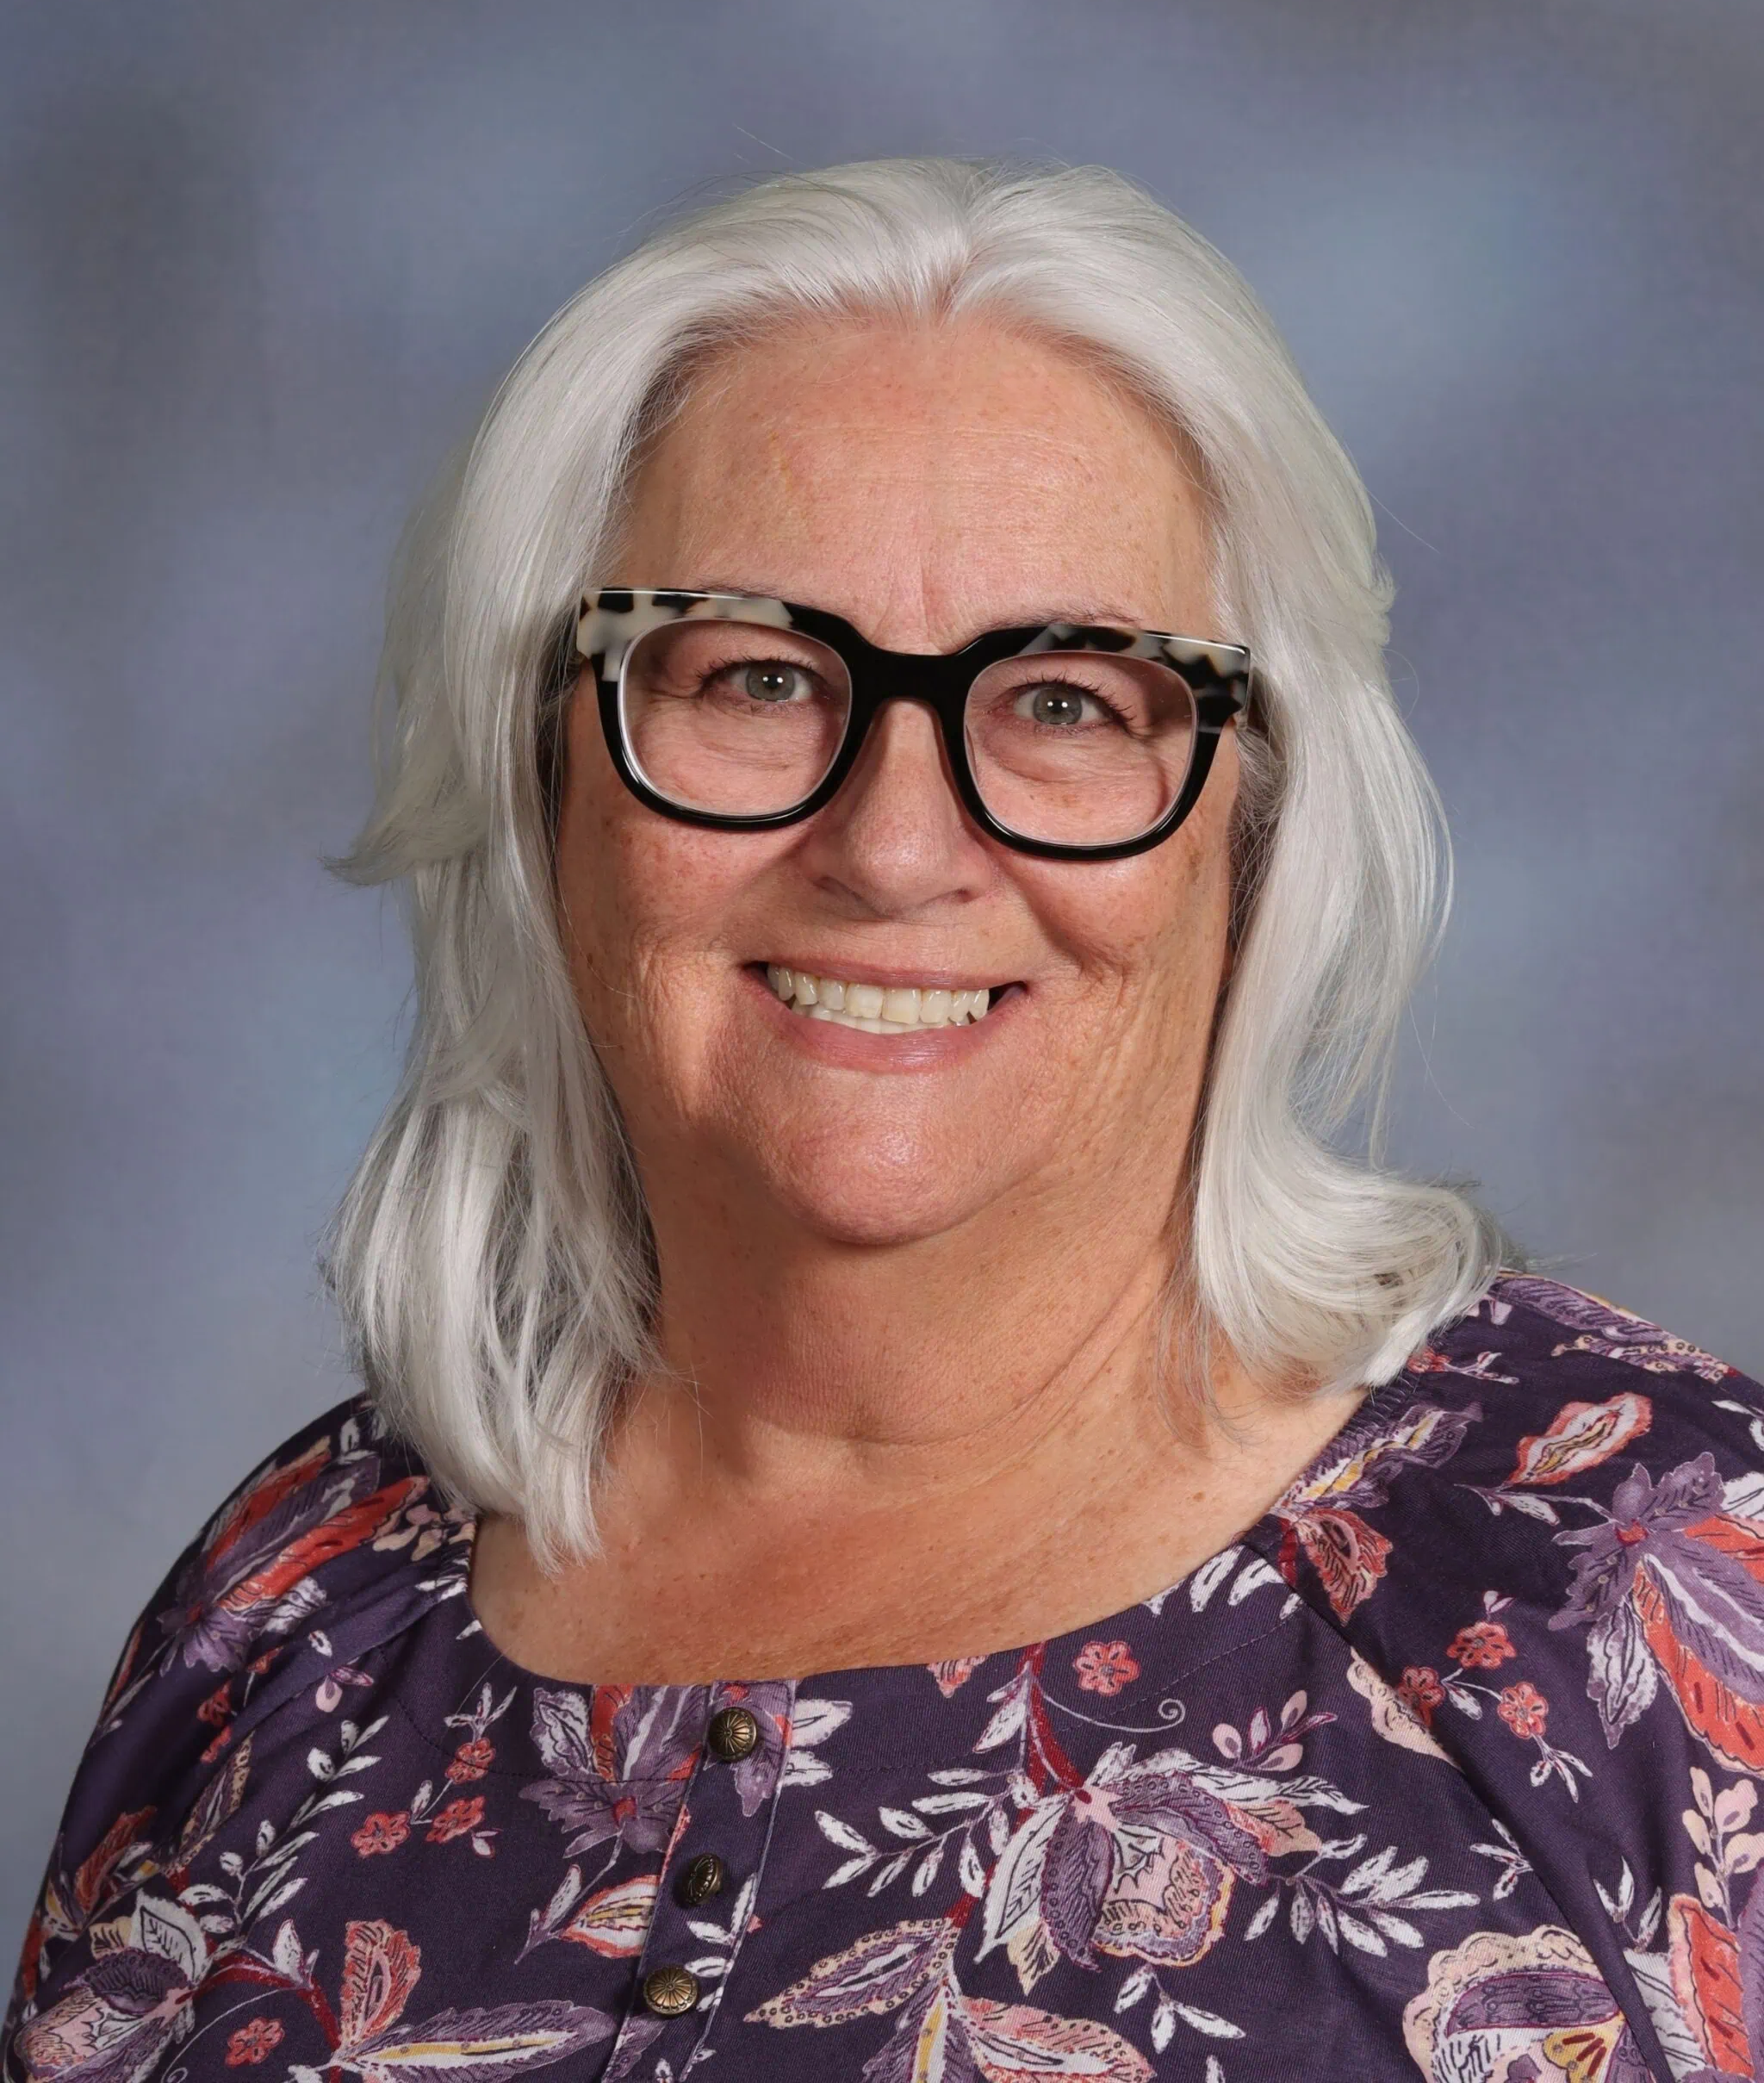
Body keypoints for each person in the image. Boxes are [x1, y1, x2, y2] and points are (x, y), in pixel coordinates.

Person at [6, 158, 1756, 2083]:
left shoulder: (1649, 1585)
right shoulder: (291, 1617)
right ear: (541, 774)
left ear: (1256, 827)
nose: (897, 847)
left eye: (1068, 703)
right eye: (758, 677)